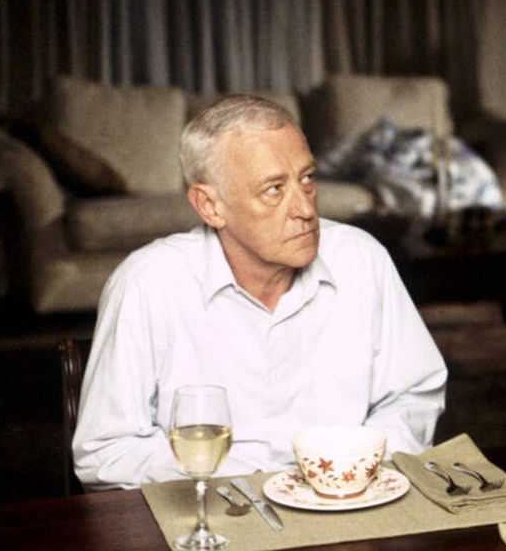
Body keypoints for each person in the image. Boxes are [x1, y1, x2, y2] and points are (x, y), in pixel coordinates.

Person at [73, 95, 447, 490]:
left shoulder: (361, 258)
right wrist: (242, 473)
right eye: (274, 189)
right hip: (214, 510)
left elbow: (414, 395)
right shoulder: (148, 282)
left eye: (307, 178)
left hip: (346, 501)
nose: (305, 209)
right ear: (210, 206)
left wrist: (353, 464)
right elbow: (105, 453)